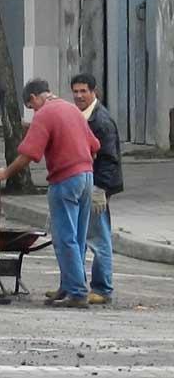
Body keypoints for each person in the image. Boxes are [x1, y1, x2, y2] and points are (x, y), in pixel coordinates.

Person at [0, 78, 100, 308]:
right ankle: (68, 285)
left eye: (31, 107)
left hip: (65, 180)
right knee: (78, 238)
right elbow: (94, 146)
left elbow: (29, 154)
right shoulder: (72, 109)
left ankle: (77, 293)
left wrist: (5, 173)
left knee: (64, 239)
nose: (33, 111)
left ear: (34, 98)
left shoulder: (44, 114)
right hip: (86, 177)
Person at [69, 73, 123, 305]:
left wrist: (100, 189)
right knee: (80, 236)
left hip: (96, 186)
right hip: (85, 183)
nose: (79, 95)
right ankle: (75, 285)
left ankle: (102, 288)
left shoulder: (101, 121)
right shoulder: (81, 116)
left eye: (84, 91)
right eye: (76, 91)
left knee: (98, 238)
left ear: (94, 92)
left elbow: (110, 159)